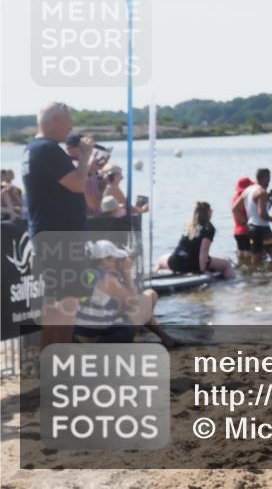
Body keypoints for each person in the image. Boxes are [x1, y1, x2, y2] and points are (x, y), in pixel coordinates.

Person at [22, 103, 94, 349]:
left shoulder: (33, 148)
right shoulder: (47, 149)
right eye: (68, 121)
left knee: (54, 305)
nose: (72, 126)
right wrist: (84, 158)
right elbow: (77, 184)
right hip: (61, 239)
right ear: (53, 122)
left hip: (48, 237)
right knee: (67, 304)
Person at [75, 239, 175, 347]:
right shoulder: (108, 280)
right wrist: (127, 272)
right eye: (114, 259)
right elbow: (133, 301)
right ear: (105, 260)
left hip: (82, 336)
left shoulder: (87, 274)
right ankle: (165, 338)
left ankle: (165, 337)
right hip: (102, 339)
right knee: (150, 295)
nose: (116, 262)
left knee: (137, 307)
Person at [157, 201, 236, 279]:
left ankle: (154, 277)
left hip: (176, 262)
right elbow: (203, 252)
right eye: (211, 210)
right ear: (208, 212)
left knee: (161, 259)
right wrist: (203, 271)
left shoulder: (189, 225)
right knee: (227, 264)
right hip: (193, 264)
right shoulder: (209, 228)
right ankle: (232, 285)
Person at [242, 168, 272, 267]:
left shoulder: (247, 190)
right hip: (262, 228)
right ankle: (269, 278)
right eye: (268, 178)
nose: (269, 182)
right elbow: (262, 214)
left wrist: (271, 200)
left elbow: (235, 208)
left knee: (256, 258)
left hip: (251, 227)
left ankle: (256, 279)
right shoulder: (262, 192)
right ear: (264, 178)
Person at [231, 176, 255, 266]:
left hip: (237, 232)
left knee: (241, 257)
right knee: (250, 258)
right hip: (246, 231)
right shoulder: (246, 198)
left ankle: (242, 276)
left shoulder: (235, 198)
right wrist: (247, 225)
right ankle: (249, 276)